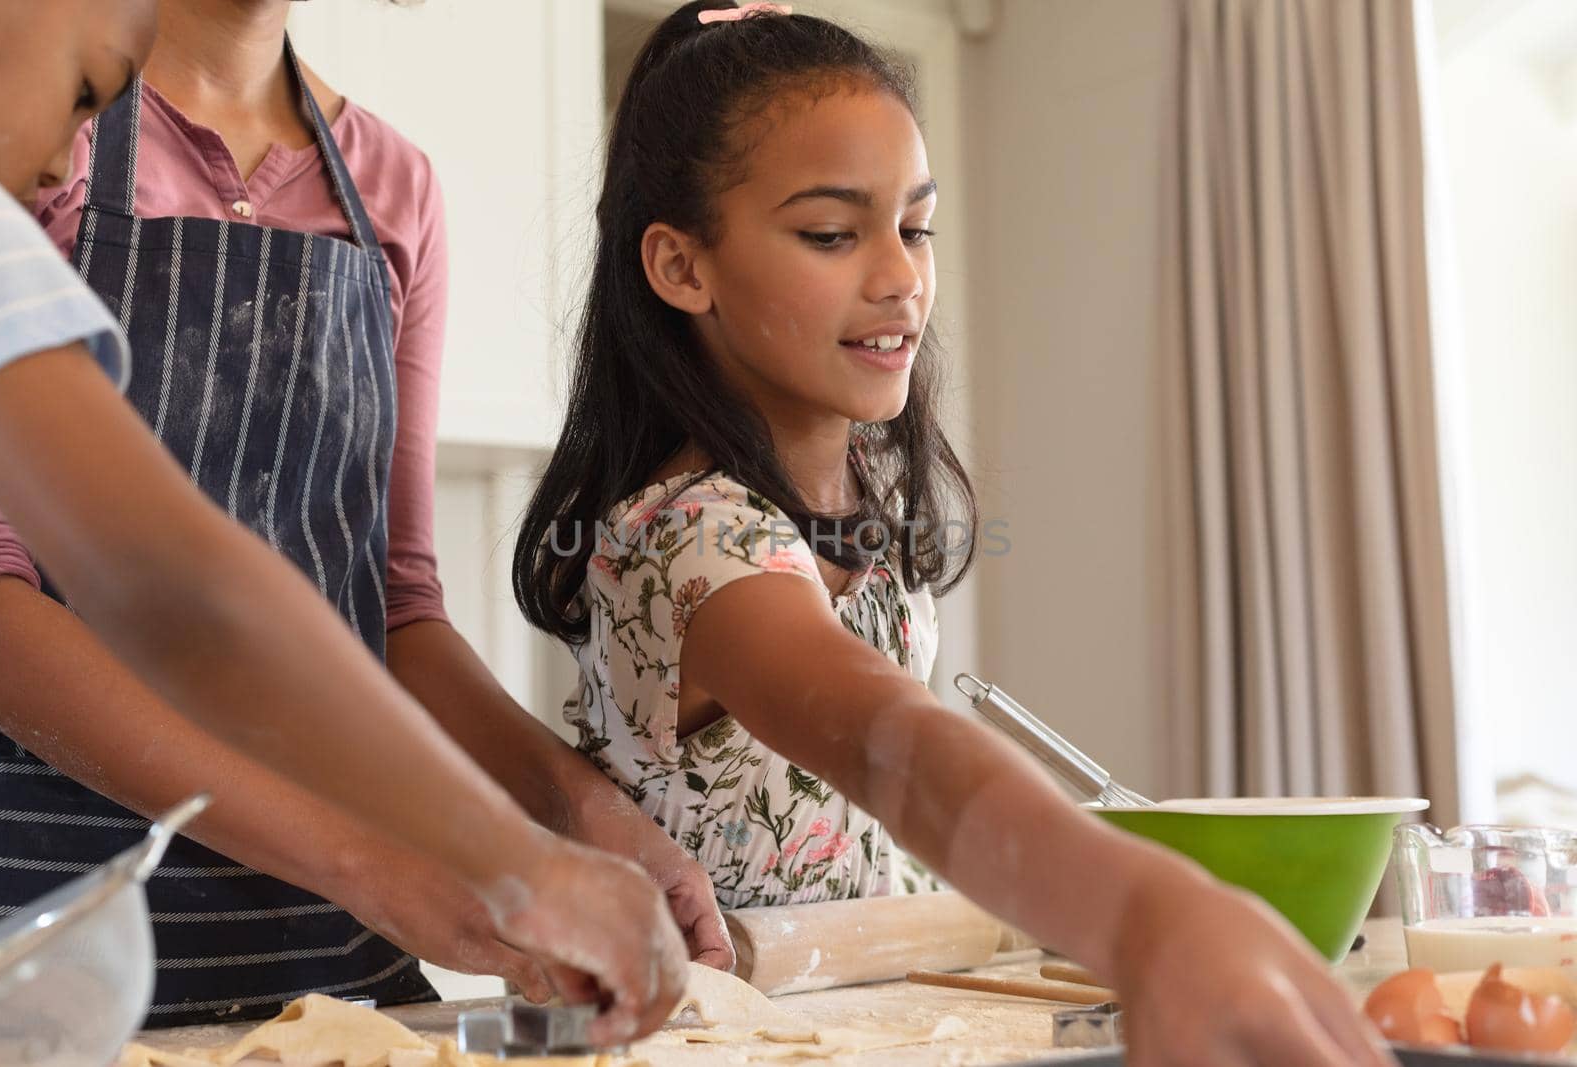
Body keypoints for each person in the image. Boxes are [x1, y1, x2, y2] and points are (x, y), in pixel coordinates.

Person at [513, 3, 1398, 1064]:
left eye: (915, 225)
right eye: (832, 234)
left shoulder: (857, 516)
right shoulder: (692, 542)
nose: (900, 276)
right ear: (679, 267)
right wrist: (1143, 908)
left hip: (849, 1024)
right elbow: (890, 740)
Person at [0, 0, 690, 1041]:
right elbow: (162, 588)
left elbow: (392, 605)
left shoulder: (395, 189)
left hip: (330, 950)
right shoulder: (29, 163)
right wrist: (457, 855)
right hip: (60, 931)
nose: (57, 161)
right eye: (90, 91)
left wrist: (569, 811)